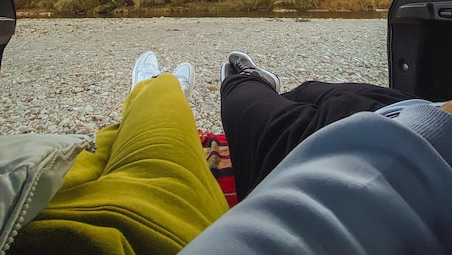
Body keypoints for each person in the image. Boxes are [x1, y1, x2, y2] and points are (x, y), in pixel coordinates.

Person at [181, 51, 452, 254]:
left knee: (240, 98)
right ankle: (266, 89)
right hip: (415, 112)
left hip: (361, 144)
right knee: (308, 90)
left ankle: (247, 79)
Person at [9, 52, 229, 254]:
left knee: (92, 146)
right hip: (158, 231)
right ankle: (158, 89)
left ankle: (150, 89)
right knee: (96, 146)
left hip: (22, 215)